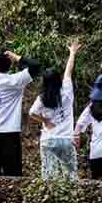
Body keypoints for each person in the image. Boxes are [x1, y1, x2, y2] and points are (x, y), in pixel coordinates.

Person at [0, 46, 41, 176]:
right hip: (11, 134)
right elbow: (36, 66)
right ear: (10, 62)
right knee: (13, 175)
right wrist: (17, 57)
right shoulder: (17, 80)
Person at [28, 41, 81, 180]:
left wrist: (45, 120)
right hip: (65, 139)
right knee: (71, 175)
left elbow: (31, 113)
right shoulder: (67, 90)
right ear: (59, 80)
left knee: (49, 176)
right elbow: (68, 71)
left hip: (48, 139)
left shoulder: (42, 97)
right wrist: (72, 53)